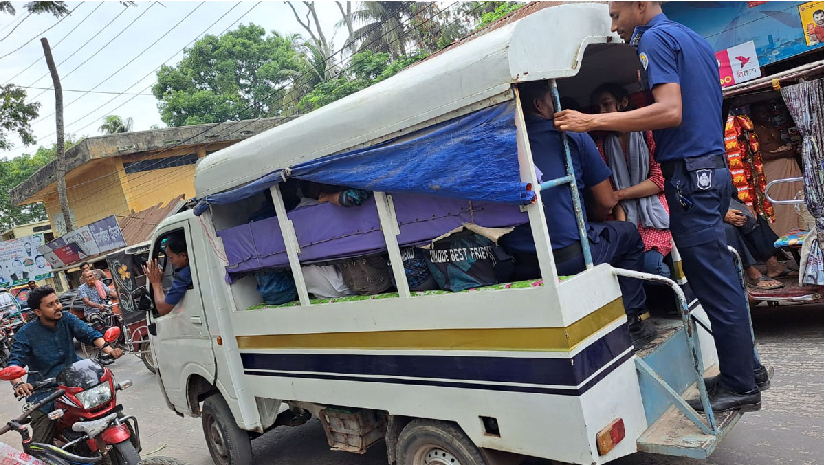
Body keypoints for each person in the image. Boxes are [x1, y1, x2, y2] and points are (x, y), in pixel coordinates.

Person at [554, 1, 767, 412]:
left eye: (616, 15)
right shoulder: (694, 40)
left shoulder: (654, 38)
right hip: (711, 167)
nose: (613, 27)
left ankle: (741, 385)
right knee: (721, 278)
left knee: (713, 284)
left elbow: (670, 111)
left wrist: (589, 122)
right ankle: (748, 370)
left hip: (690, 173)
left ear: (638, 4)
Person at [499, 79, 655, 345]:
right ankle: (633, 319)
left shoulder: (499, 147)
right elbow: (606, 201)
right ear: (539, 104)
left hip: (518, 263)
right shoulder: (572, 136)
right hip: (570, 255)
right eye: (552, 99)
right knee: (627, 234)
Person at [7, 286, 123, 444]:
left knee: (113, 413)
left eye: (57, 302)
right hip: (45, 390)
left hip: (76, 381)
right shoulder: (26, 333)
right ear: (38, 312)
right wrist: (19, 383)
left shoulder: (67, 318)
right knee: (41, 446)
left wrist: (108, 349)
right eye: (50, 305)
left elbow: (89, 334)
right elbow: (15, 361)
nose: (58, 307)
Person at [590, 83, 673, 278]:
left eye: (606, 104)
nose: (602, 112)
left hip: (654, 214)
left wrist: (620, 194)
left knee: (654, 268)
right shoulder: (600, 146)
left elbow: (658, 180)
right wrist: (625, 231)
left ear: (624, 103)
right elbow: (609, 191)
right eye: (597, 108)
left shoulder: (648, 133)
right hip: (624, 217)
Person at [142, 232, 192, 316]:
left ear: (184, 255)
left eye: (171, 258)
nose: (170, 262)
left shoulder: (185, 275)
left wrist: (156, 283)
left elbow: (163, 308)